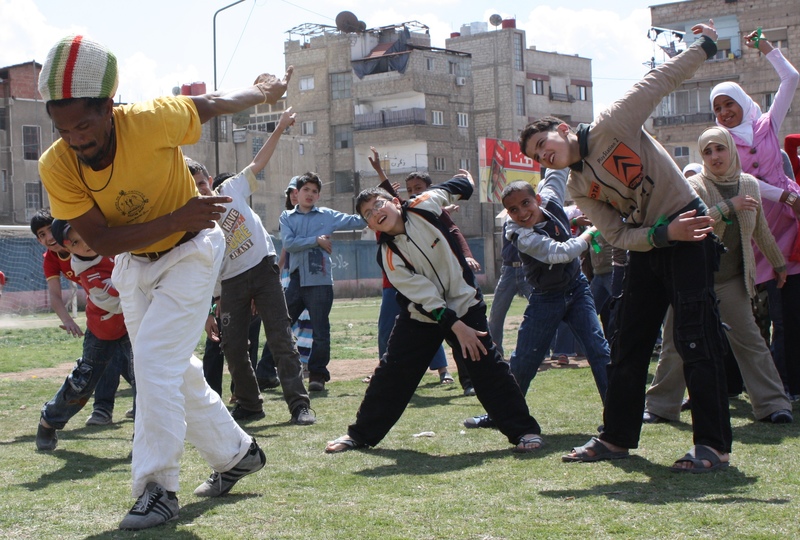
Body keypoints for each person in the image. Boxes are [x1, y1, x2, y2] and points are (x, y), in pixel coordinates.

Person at [37, 35, 290, 529]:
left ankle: (157, 488)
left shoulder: (149, 119)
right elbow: (102, 241)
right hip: (134, 262)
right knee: (173, 369)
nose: (75, 139)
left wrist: (265, 92)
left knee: (154, 361)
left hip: (193, 252)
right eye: (62, 128)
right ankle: (237, 453)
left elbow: (211, 104)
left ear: (110, 108)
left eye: (84, 125)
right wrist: (179, 214)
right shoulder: (56, 164)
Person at [519, 21, 733, 473]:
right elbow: (615, 236)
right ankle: (616, 438)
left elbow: (659, 81)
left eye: (543, 145)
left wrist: (704, 46)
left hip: (688, 229)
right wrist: (658, 236)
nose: (544, 157)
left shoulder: (612, 122)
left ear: (561, 128)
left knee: (696, 336)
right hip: (650, 243)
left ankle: (713, 447)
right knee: (627, 342)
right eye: (537, 157)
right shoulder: (578, 187)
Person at [325, 171, 543, 454]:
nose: (375, 212)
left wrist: (466, 180)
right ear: (368, 224)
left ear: (395, 201)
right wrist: (457, 327)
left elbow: (459, 187)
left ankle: (524, 431)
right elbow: (426, 298)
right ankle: (359, 436)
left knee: (488, 368)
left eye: (378, 204)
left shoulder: (424, 204)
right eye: (368, 213)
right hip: (424, 317)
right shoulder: (388, 255)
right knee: (393, 373)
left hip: (465, 305)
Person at [644, 127, 793, 424]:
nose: (715, 156)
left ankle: (774, 405)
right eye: (708, 152)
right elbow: (694, 223)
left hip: (731, 280)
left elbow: (760, 229)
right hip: (690, 279)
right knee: (676, 344)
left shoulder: (749, 184)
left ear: (731, 150)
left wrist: (779, 264)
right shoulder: (695, 184)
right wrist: (728, 207)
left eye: (720, 149)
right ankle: (660, 407)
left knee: (751, 341)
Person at [189, 108, 315, 426]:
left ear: (209, 181)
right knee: (231, 344)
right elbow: (202, 273)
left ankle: (299, 405)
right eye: (194, 188)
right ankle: (249, 404)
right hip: (231, 284)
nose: (202, 191)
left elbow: (260, 160)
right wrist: (209, 310)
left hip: (262, 268)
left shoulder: (232, 188)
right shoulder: (194, 228)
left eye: (203, 183)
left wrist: (283, 125)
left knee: (280, 336)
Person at [463, 169, 610, 430]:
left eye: (525, 203)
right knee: (524, 360)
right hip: (546, 297)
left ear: (538, 200)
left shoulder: (551, 197)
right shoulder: (518, 233)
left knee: (598, 350)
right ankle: (502, 415)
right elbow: (560, 253)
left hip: (577, 289)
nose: (521, 213)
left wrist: (561, 138)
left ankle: (617, 415)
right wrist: (592, 232)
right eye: (513, 209)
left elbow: (557, 169)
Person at [710, 29, 800, 400]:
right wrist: (783, 194)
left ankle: (789, 386)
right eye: (717, 108)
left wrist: (766, 48)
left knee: (790, 314)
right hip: (755, 233)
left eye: (728, 104)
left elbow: (792, 79)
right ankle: (739, 385)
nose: (724, 113)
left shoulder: (767, 126)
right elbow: (741, 181)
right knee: (745, 318)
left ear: (743, 102)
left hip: (791, 225)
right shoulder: (721, 144)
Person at [36, 218, 137, 451]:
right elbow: (117, 301)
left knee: (145, 378)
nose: (85, 245)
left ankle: (143, 438)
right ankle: (48, 421)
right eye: (75, 242)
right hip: (103, 331)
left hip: (132, 325)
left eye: (85, 236)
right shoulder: (90, 275)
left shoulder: (113, 248)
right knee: (82, 382)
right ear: (67, 247)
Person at [279, 172, 366, 392]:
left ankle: (317, 375)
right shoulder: (287, 217)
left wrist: (377, 206)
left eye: (314, 191)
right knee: (280, 325)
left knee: (320, 331)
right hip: (297, 281)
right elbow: (289, 244)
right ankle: (268, 372)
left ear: (318, 196)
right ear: (296, 193)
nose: (310, 194)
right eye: (306, 190)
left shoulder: (328, 215)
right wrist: (316, 241)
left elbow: (358, 220)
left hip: (321, 281)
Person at [487, 219, 531, 358]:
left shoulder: (534, 220)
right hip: (509, 269)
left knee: (540, 309)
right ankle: (496, 353)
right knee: (496, 313)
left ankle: (542, 352)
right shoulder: (510, 222)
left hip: (527, 268)